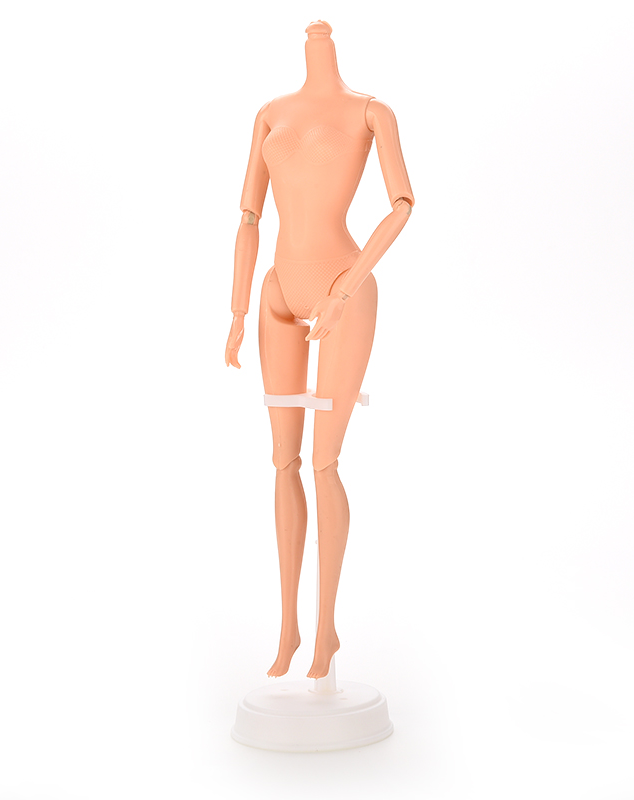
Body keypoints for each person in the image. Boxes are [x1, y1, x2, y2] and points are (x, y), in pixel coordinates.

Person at [225, 20, 414, 680]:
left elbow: (402, 203)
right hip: (277, 290)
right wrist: (237, 311)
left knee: (324, 463)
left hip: (343, 286)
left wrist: (345, 290)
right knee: (283, 462)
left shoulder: (372, 112)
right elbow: (248, 217)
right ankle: (289, 630)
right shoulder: (269, 113)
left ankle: (326, 631)